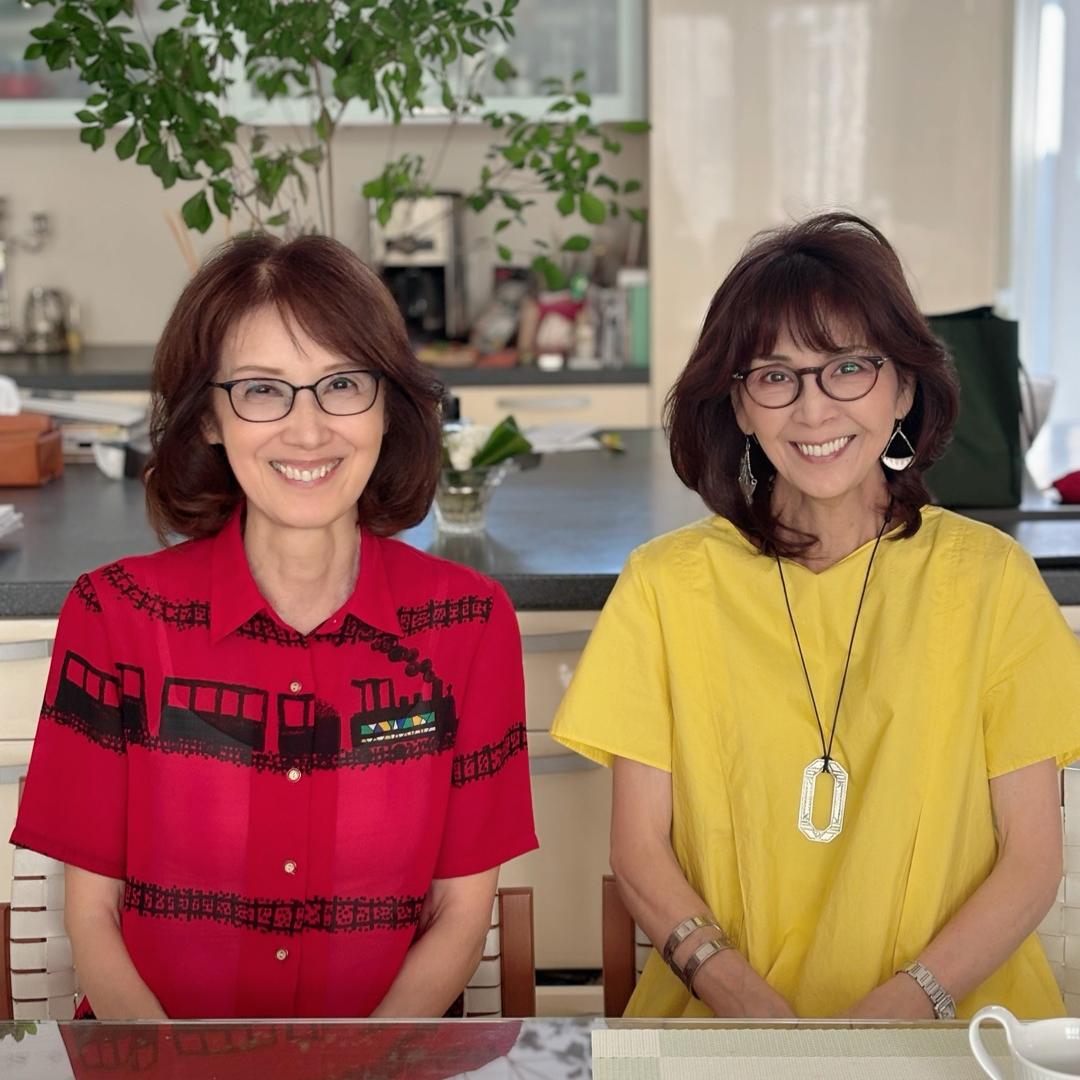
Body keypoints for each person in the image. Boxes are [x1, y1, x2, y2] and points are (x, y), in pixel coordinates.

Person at [551, 212, 1080, 1020]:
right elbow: (640, 851)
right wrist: (748, 1007)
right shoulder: (664, 586)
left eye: (849, 368)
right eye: (776, 376)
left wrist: (897, 1013)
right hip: (724, 1026)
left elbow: (1032, 860)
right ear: (739, 405)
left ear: (904, 387)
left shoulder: (990, 580)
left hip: (956, 1030)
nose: (813, 410)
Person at [11, 234, 537, 1019]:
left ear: (387, 405)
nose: (308, 429)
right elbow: (93, 919)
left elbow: (460, 917)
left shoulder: (466, 623)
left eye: (341, 384)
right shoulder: (115, 616)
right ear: (209, 416)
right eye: (262, 390)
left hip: (386, 1066)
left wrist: (361, 1070)